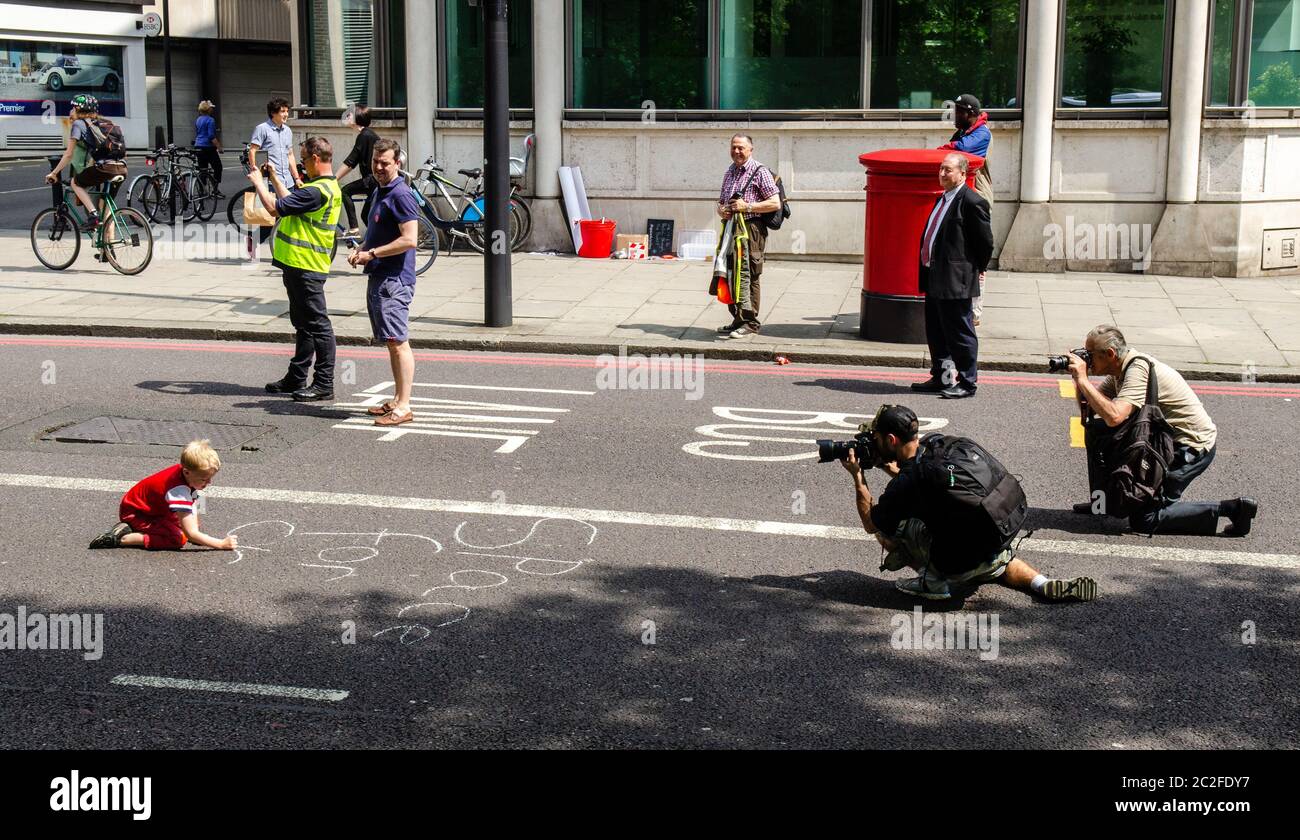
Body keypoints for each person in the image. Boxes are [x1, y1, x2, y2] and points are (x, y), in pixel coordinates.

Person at [840, 405, 1096, 602]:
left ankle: (933, 580)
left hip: (955, 562)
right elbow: (922, 483)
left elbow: (871, 522)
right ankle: (1041, 583)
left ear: (892, 440)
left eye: (877, 438)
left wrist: (857, 477)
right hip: (996, 538)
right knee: (996, 559)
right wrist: (887, 467)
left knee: (889, 526)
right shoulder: (940, 444)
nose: (874, 443)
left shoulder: (911, 479)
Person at [1067, 325, 1259, 536]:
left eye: (1090, 356)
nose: (1088, 361)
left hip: (1189, 448)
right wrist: (1079, 381)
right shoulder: (1120, 369)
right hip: (1160, 442)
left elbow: (1114, 416)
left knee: (1144, 520)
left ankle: (1234, 510)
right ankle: (1104, 503)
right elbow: (1095, 409)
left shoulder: (1137, 370)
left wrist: (1084, 380)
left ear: (1111, 354)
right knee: (1097, 430)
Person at [248, 135, 342, 402]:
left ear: (315, 158)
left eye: (303, 161)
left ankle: (324, 383)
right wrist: (276, 179)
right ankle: (296, 377)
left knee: (318, 326)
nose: (302, 166)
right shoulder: (325, 187)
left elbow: (274, 208)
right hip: (301, 265)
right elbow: (291, 202)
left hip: (306, 266)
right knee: (303, 325)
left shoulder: (316, 190)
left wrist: (258, 183)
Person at [347, 138, 419, 427]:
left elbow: (410, 239)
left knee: (399, 342)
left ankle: (403, 406)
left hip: (394, 279)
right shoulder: (381, 189)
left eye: (385, 162)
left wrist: (372, 253)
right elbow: (378, 232)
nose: (378, 167)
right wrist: (363, 248)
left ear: (397, 163)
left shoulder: (400, 194)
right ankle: (397, 399)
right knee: (391, 342)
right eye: (376, 162)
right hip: (380, 275)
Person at [910, 152, 992, 400]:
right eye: (941, 169)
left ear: (962, 174)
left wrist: (971, 270)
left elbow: (985, 243)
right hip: (934, 276)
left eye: (948, 170)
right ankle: (943, 377)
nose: (942, 173)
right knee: (936, 331)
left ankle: (967, 382)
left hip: (956, 279)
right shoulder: (944, 198)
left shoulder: (972, 202)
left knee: (960, 332)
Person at [89, 440, 237, 551]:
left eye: (211, 478)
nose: (209, 482)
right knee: (178, 539)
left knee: (188, 526)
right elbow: (191, 533)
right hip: (138, 514)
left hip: (149, 508)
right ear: (186, 472)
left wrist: (196, 528)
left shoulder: (188, 474)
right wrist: (221, 544)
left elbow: (195, 501)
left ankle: (134, 529)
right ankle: (125, 539)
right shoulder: (179, 490)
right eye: (204, 479)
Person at [715, 134, 780, 339]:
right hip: (731, 229)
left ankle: (750, 321)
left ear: (750, 149)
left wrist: (748, 206)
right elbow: (721, 201)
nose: (736, 151)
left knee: (750, 272)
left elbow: (775, 202)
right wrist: (722, 210)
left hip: (752, 229)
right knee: (731, 272)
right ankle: (738, 319)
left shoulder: (760, 171)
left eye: (741, 148)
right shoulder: (729, 172)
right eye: (733, 147)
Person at [938, 93, 992, 326]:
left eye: (960, 112)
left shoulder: (981, 133)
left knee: (977, 257)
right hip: (961, 198)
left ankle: (975, 312)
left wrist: (947, 147)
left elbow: (960, 152)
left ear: (971, 114)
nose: (955, 116)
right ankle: (962, 305)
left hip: (977, 197)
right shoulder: (962, 131)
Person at [44, 94, 117, 232]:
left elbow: (69, 154)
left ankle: (93, 217)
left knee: (77, 186)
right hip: (120, 167)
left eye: (73, 108)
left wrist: (54, 172)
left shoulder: (80, 125)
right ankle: (108, 251)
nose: (71, 111)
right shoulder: (104, 123)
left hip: (97, 170)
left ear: (78, 109)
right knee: (106, 210)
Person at [247, 98, 300, 245]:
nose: (286, 114)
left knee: (288, 214)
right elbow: (253, 151)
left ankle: (284, 244)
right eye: (282, 111)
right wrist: (255, 172)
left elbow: (290, 155)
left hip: (287, 180)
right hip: (270, 180)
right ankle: (253, 240)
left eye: (287, 111)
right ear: (273, 113)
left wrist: (296, 178)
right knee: (269, 217)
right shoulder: (262, 129)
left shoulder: (287, 131)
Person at [335, 104, 380, 236]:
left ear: (358, 117)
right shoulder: (367, 134)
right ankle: (378, 240)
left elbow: (351, 161)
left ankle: (354, 229)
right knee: (366, 215)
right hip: (374, 180)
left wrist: (334, 179)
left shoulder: (364, 136)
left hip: (371, 180)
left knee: (345, 191)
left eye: (350, 114)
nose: (347, 116)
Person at [194, 99, 224, 198]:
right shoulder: (210, 120)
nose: (212, 109)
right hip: (208, 147)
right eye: (211, 108)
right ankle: (215, 190)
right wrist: (219, 147)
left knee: (203, 169)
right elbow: (211, 136)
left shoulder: (198, 119)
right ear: (208, 110)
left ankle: (202, 191)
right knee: (218, 167)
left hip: (198, 146)